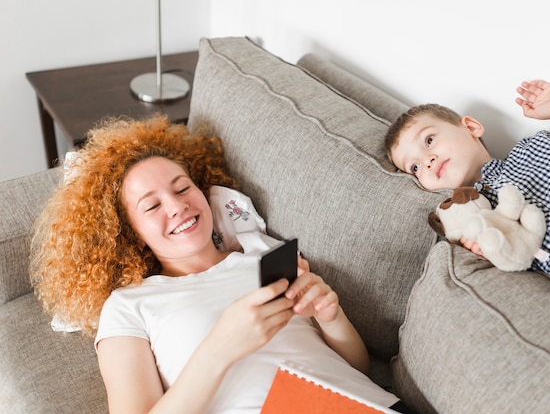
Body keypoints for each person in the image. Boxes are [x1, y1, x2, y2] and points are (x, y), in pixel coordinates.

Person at [30, 115, 415, 414]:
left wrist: (332, 316)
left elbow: (357, 370)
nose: (178, 205)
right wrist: (221, 347)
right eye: (152, 205)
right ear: (128, 232)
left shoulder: (265, 259)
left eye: (182, 188)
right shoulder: (129, 306)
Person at [384, 80, 550, 337]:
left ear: (471, 127)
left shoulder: (536, 150)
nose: (427, 161)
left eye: (429, 140)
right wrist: (483, 249)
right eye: (415, 168)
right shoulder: (475, 223)